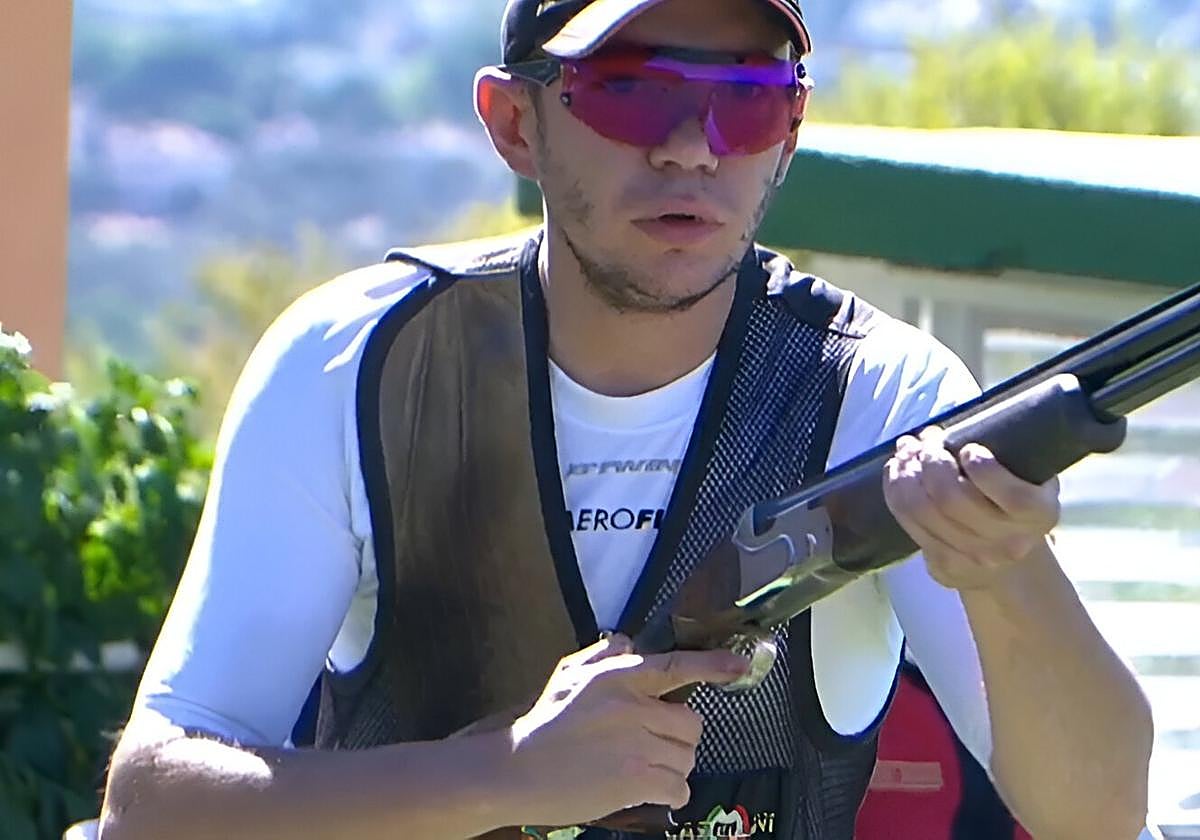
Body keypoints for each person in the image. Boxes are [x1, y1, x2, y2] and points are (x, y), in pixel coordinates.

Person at [98, 1, 1155, 838]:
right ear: (517, 121)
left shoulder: (880, 392)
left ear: (790, 130)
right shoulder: (357, 363)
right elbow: (150, 807)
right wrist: (499, 775)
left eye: (747, 99)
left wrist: (1007, 573)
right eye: (634, 93)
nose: (695, 148)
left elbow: (1100, 817)